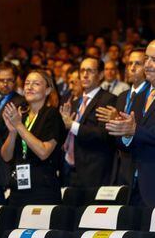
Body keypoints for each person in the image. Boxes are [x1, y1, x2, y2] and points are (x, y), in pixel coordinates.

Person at [1, 70, 66, 206]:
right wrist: (12, 131)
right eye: (27, 83)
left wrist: (19, 126)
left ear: (47, 90)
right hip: (18, 187)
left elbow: (43, 152)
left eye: (36, 84)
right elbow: (6, 156)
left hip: (42, 190)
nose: (29, 87)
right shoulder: (21, 116)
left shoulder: (51, 115)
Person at [106, 40, 155, 206]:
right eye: (147, 59)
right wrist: (124, 133)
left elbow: (143, 132)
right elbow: (127, 143)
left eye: (153, 60)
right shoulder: (140, 97)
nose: (148, 65)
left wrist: (134, 130)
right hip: (136, 184)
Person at [60, 57, 117, 187]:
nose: (85, 75)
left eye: (90, 71)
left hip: (94, 172)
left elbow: (103, 134)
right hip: (69, 170)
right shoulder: (74, 102)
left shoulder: (108, 100)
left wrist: (71, 125)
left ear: (101, 74)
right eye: (82, 71)